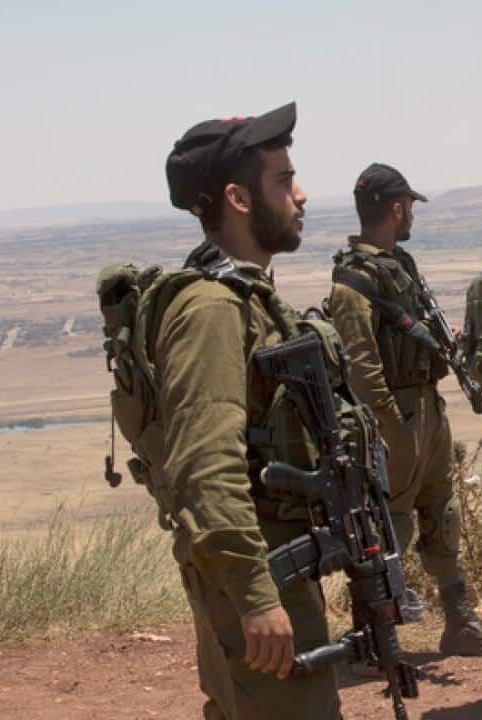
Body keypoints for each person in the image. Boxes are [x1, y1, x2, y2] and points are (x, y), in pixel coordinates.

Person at [158, 102, 342, 719]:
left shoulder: (247, 297)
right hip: (257, 568)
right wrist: (256, 595)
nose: (302, 194)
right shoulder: (211, 309)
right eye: (284, 181)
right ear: (239, 200)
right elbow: (206, 465)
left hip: (265, 561)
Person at [326, 163, 482, 657]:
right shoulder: (352, 283)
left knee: (442, 513)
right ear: (394, 209)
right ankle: (373, 635)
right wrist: (391, 426)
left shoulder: (398, 266)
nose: (411, 215)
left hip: (426, 407)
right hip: (397, 419)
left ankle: (459, 622)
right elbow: (362, 372)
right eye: (408, 206)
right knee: (390, 525)